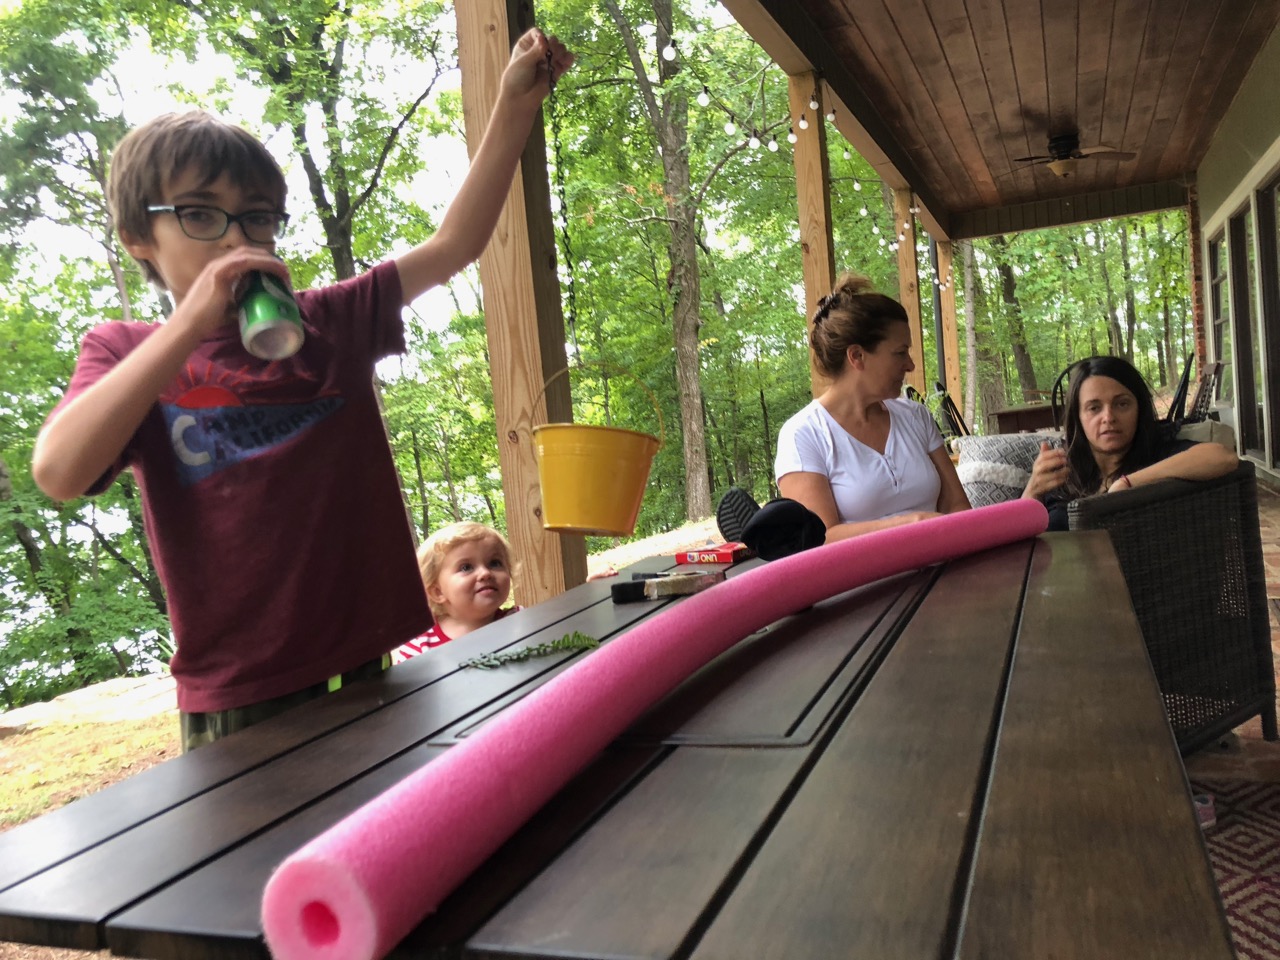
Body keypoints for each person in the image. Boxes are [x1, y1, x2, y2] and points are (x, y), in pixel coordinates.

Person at [29, 30, 574, 751]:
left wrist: (514, 106)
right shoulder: (127, 353)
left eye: (256, 216)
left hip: (365, 658)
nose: (236, 238)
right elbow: (59, 472)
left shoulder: (329, 322)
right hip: (239, 690)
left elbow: (455, 245)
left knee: (392, 816)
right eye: (200, 214)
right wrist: (188, 325)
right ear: (138, 238)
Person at [765, 273, 971, 545]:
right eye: (900, 352)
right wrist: (910, 525)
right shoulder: (803, 435)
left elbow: (958, 506)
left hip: (944, 563)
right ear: (857, 356)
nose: (910, 365)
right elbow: (819, 540)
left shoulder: (915, 416)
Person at [1021, 355, 1238, 530]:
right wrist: (1033, 490)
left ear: (1139, 409)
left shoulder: (1157, 454)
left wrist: (1127, 483)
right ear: (1078, 417)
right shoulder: (1063, 470)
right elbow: (1019, 540)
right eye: (1094, 408)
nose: (1108, 417)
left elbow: (1223, 457)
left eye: (1122, 404)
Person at [394, 522, 521, 661]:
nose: (485, 573)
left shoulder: (519, 621)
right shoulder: (419, 647)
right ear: (438, 592)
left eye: (495, 563)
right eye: (466, 567)